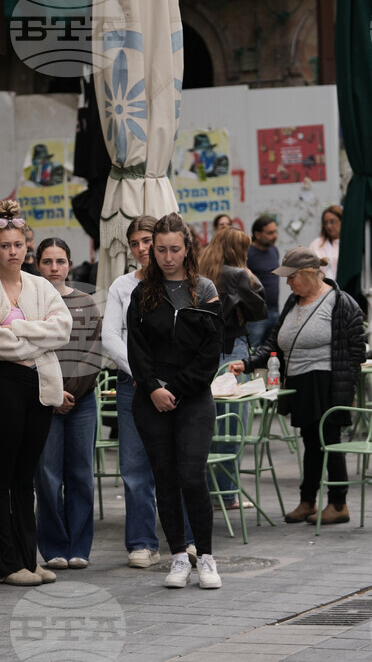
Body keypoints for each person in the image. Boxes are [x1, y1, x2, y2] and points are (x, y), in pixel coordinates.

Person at [0, 200, 72, 587]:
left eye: (19, 244)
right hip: (4, 386)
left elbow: (63, 328)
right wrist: (36, 334)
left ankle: (29, 559)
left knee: (26, 477)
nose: (13, 251)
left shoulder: (41, 285)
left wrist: (20, 330)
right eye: (5, 245)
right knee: (2, 475)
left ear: (27, 245)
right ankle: (6, 563)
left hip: (40, 387)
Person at [229, 247, 365, 526]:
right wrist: (249, 362)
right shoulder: (294, 301)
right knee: (311, 443)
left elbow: (356, 350)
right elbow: (274, 341)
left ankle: (338, 503)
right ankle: (308, 501)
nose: (288, 283)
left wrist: (348, 389)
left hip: (328, 380)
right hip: (300, 381)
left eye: (292, 277)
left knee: (330, 441)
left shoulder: (340, 302)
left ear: (308, 274)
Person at [127, 213, 224, 589]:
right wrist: (152, 387)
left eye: (174, 250)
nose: (167, 257)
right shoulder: (143, 293)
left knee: (192, 475)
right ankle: (179, 557)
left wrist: (178, 389)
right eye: (160, 249)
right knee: (164, 478)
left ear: (187, 249)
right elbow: (137, 348)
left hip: (193, 397)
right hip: (151, 397)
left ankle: (207, 557)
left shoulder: (205, 290)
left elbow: (210, 351)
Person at [34, 238, 102, 571]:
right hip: (44, 402)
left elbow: (94, 352)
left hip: (82, 402)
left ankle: (79, 545)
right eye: (47, 262)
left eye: (60, 261)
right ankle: (53, 546)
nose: (54, 268)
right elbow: (28, 350)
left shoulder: (86, 303)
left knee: (81, 475)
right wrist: (52, 393)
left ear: (70, 264)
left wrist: (68, 392)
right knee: (47, 476)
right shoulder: (30, 305)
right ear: (38, 265)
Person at [102, 216, 163, 569]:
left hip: (173, 383)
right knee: (134, 465)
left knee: (175, 461)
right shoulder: (121, 286)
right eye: (136, 242)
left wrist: (163, 376)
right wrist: (142, 372)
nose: (142, 248)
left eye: (147, 241)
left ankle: (185, 537)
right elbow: (110, 335)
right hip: (131, 383)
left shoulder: (179, 282)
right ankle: (141, 541)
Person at [199, 227, 267, 509]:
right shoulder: (237, 275)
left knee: (206, 426)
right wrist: (250, 275)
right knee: (233, 424)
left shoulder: (202, 271)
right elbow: (260, 309)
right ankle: (226, 495)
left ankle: (208, 491)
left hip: (204, 353)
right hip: (233, 351)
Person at [246, 215, 281, 350]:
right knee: (254, 349)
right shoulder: (248, 253)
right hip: (257, 314)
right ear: (257, 234)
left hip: (274, 310)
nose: (275, 236)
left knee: (271, 349)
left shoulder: (274, 250)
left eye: (275, 232)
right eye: (270, 233)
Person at [309, 205, 341, 281]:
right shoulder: (316, 244)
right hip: (321, 288)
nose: (329, 226)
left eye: (332, 222)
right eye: (325, 223)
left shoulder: (347, 244)